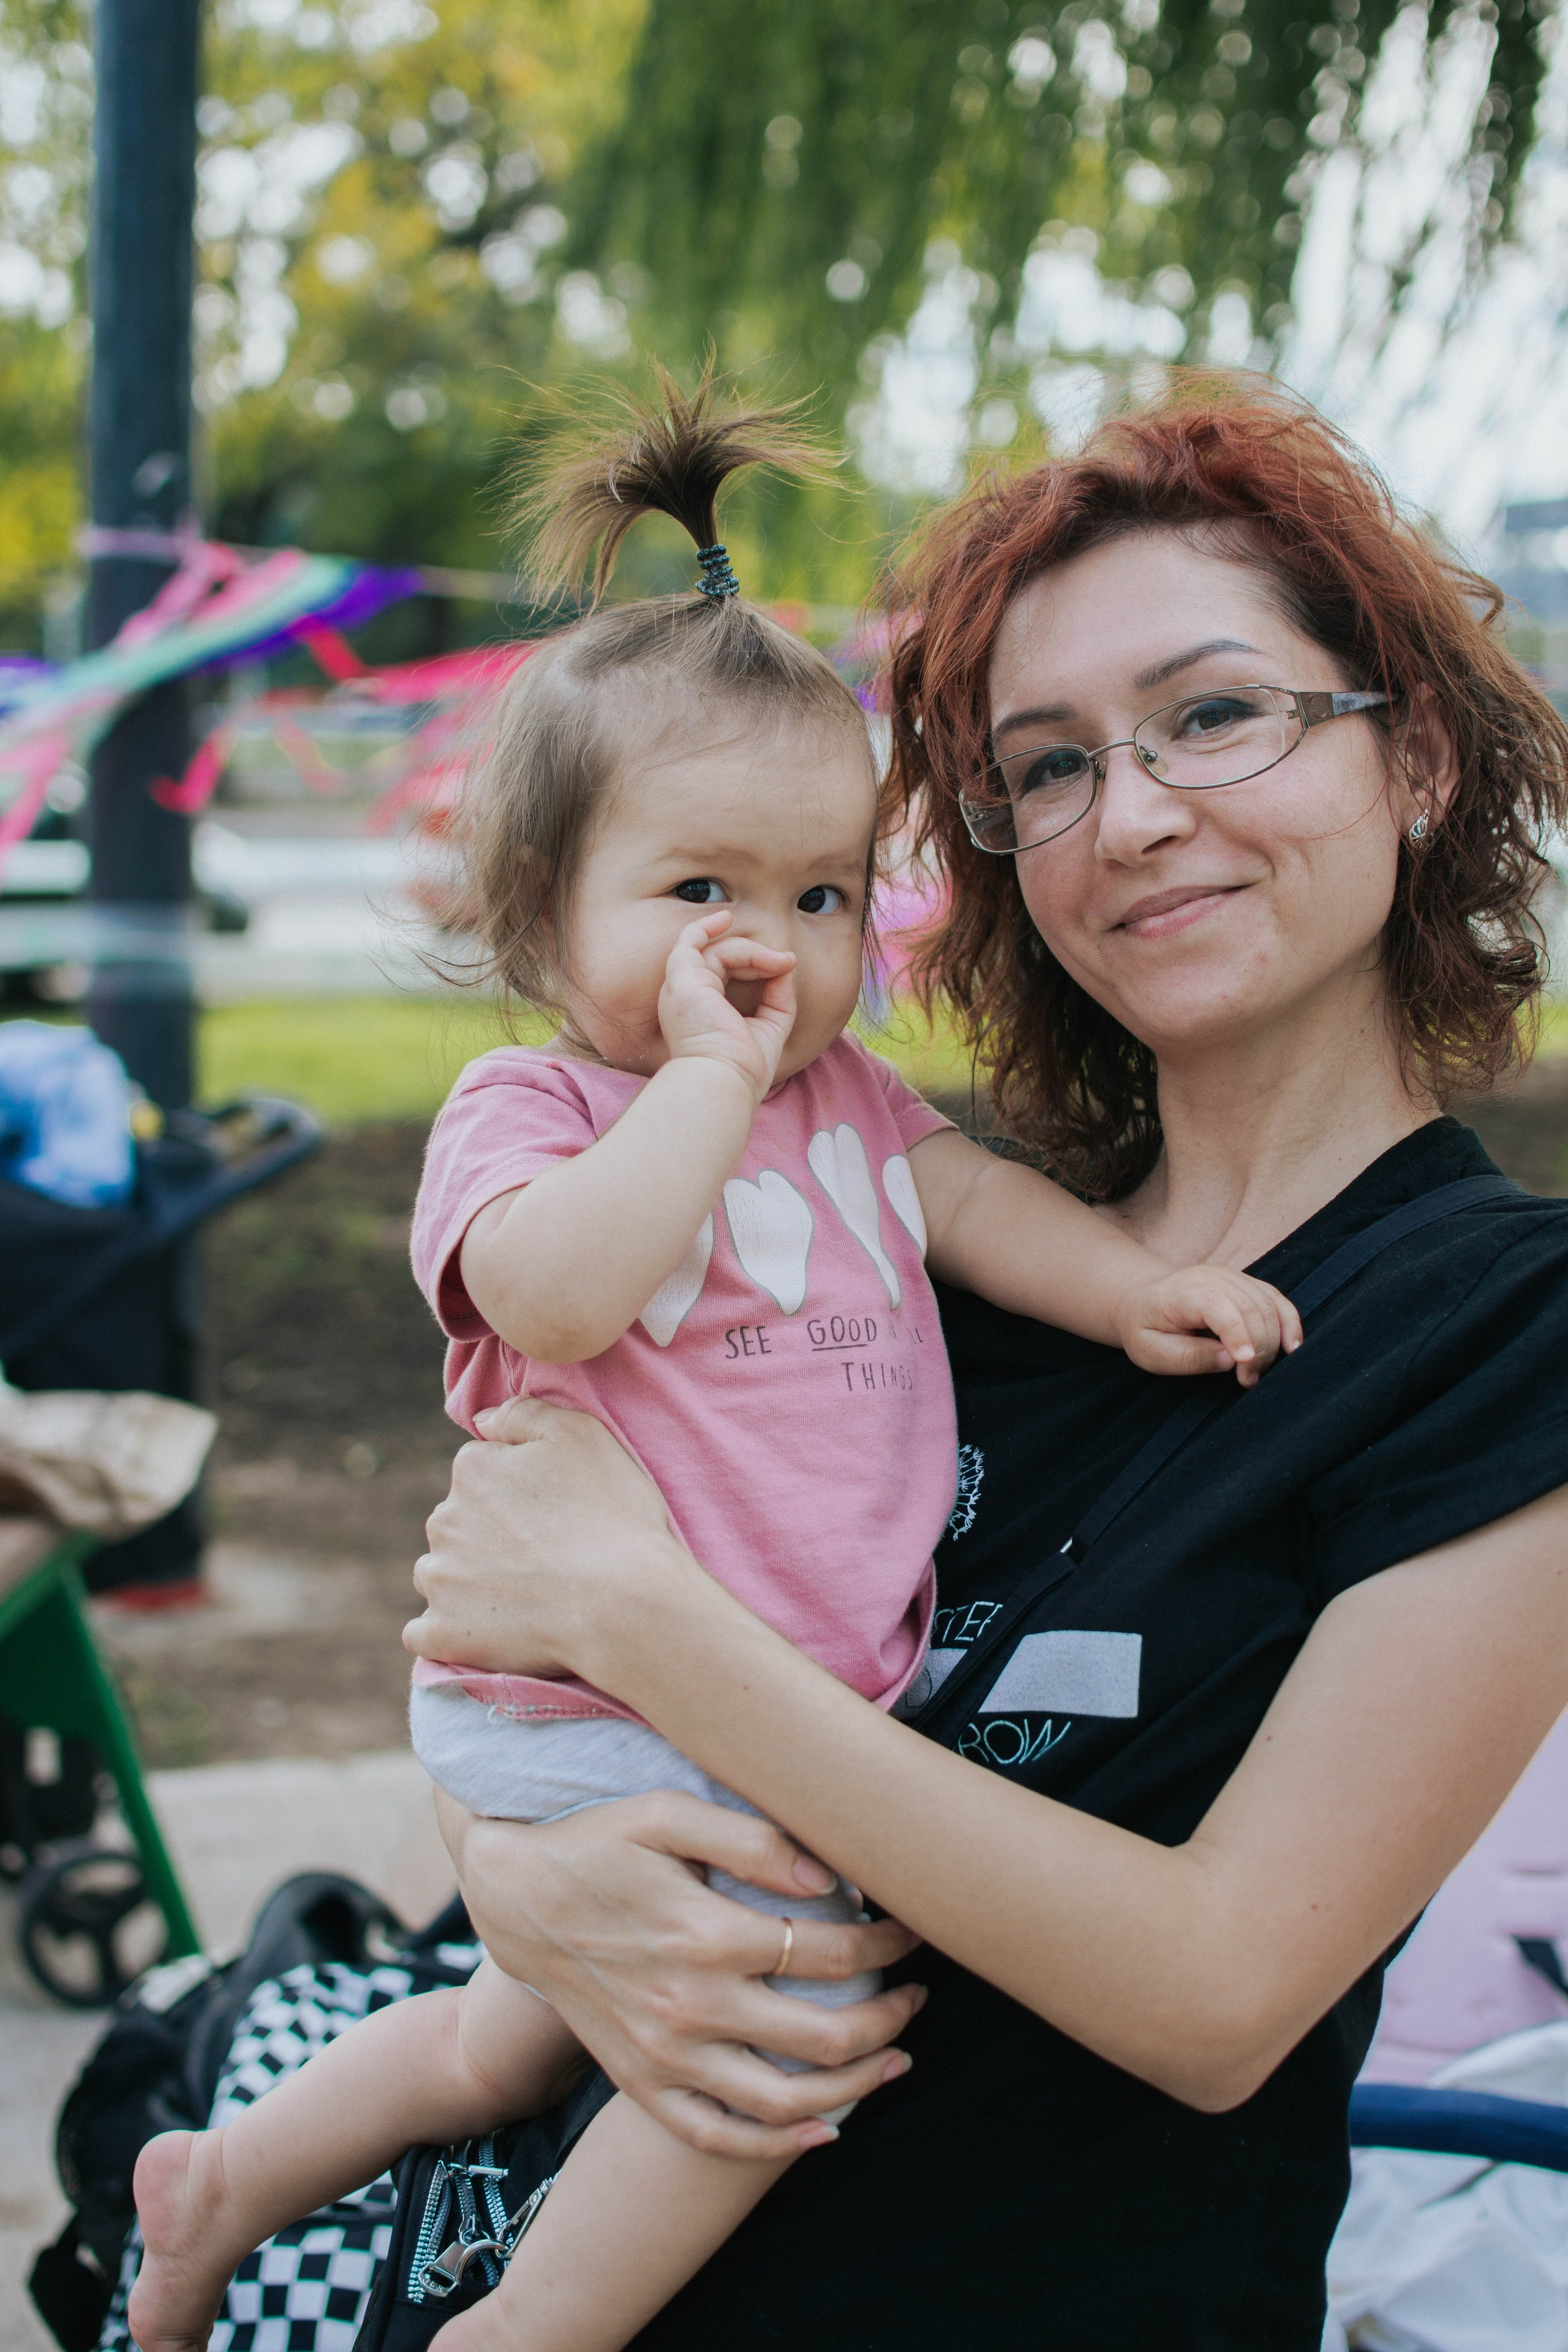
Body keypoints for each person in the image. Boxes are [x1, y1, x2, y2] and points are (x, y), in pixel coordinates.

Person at [125, 377, 1298, 2352]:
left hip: (735, 1690)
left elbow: (981, 1207)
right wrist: (699, 1080)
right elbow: (563, 1302)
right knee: (793, 2005)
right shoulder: (539, 1114)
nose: (767, 947)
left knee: (508, 2041)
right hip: (582, 1691)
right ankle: (537, 2329)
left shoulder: (842, 1097)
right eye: (700, 895)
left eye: (820, 896)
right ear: (540, 915)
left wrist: (1128, 1292)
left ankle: (228, 2180)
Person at [400, 383, 1568, 2350]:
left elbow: (1216, 2000)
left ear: (1418, 757)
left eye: (1216, 716)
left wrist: (653, 1627)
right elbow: (505, 1603)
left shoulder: (1495, 1328)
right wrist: (524, 1885)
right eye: (1046, 768)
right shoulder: (901, 1240)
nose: (1130, 816)